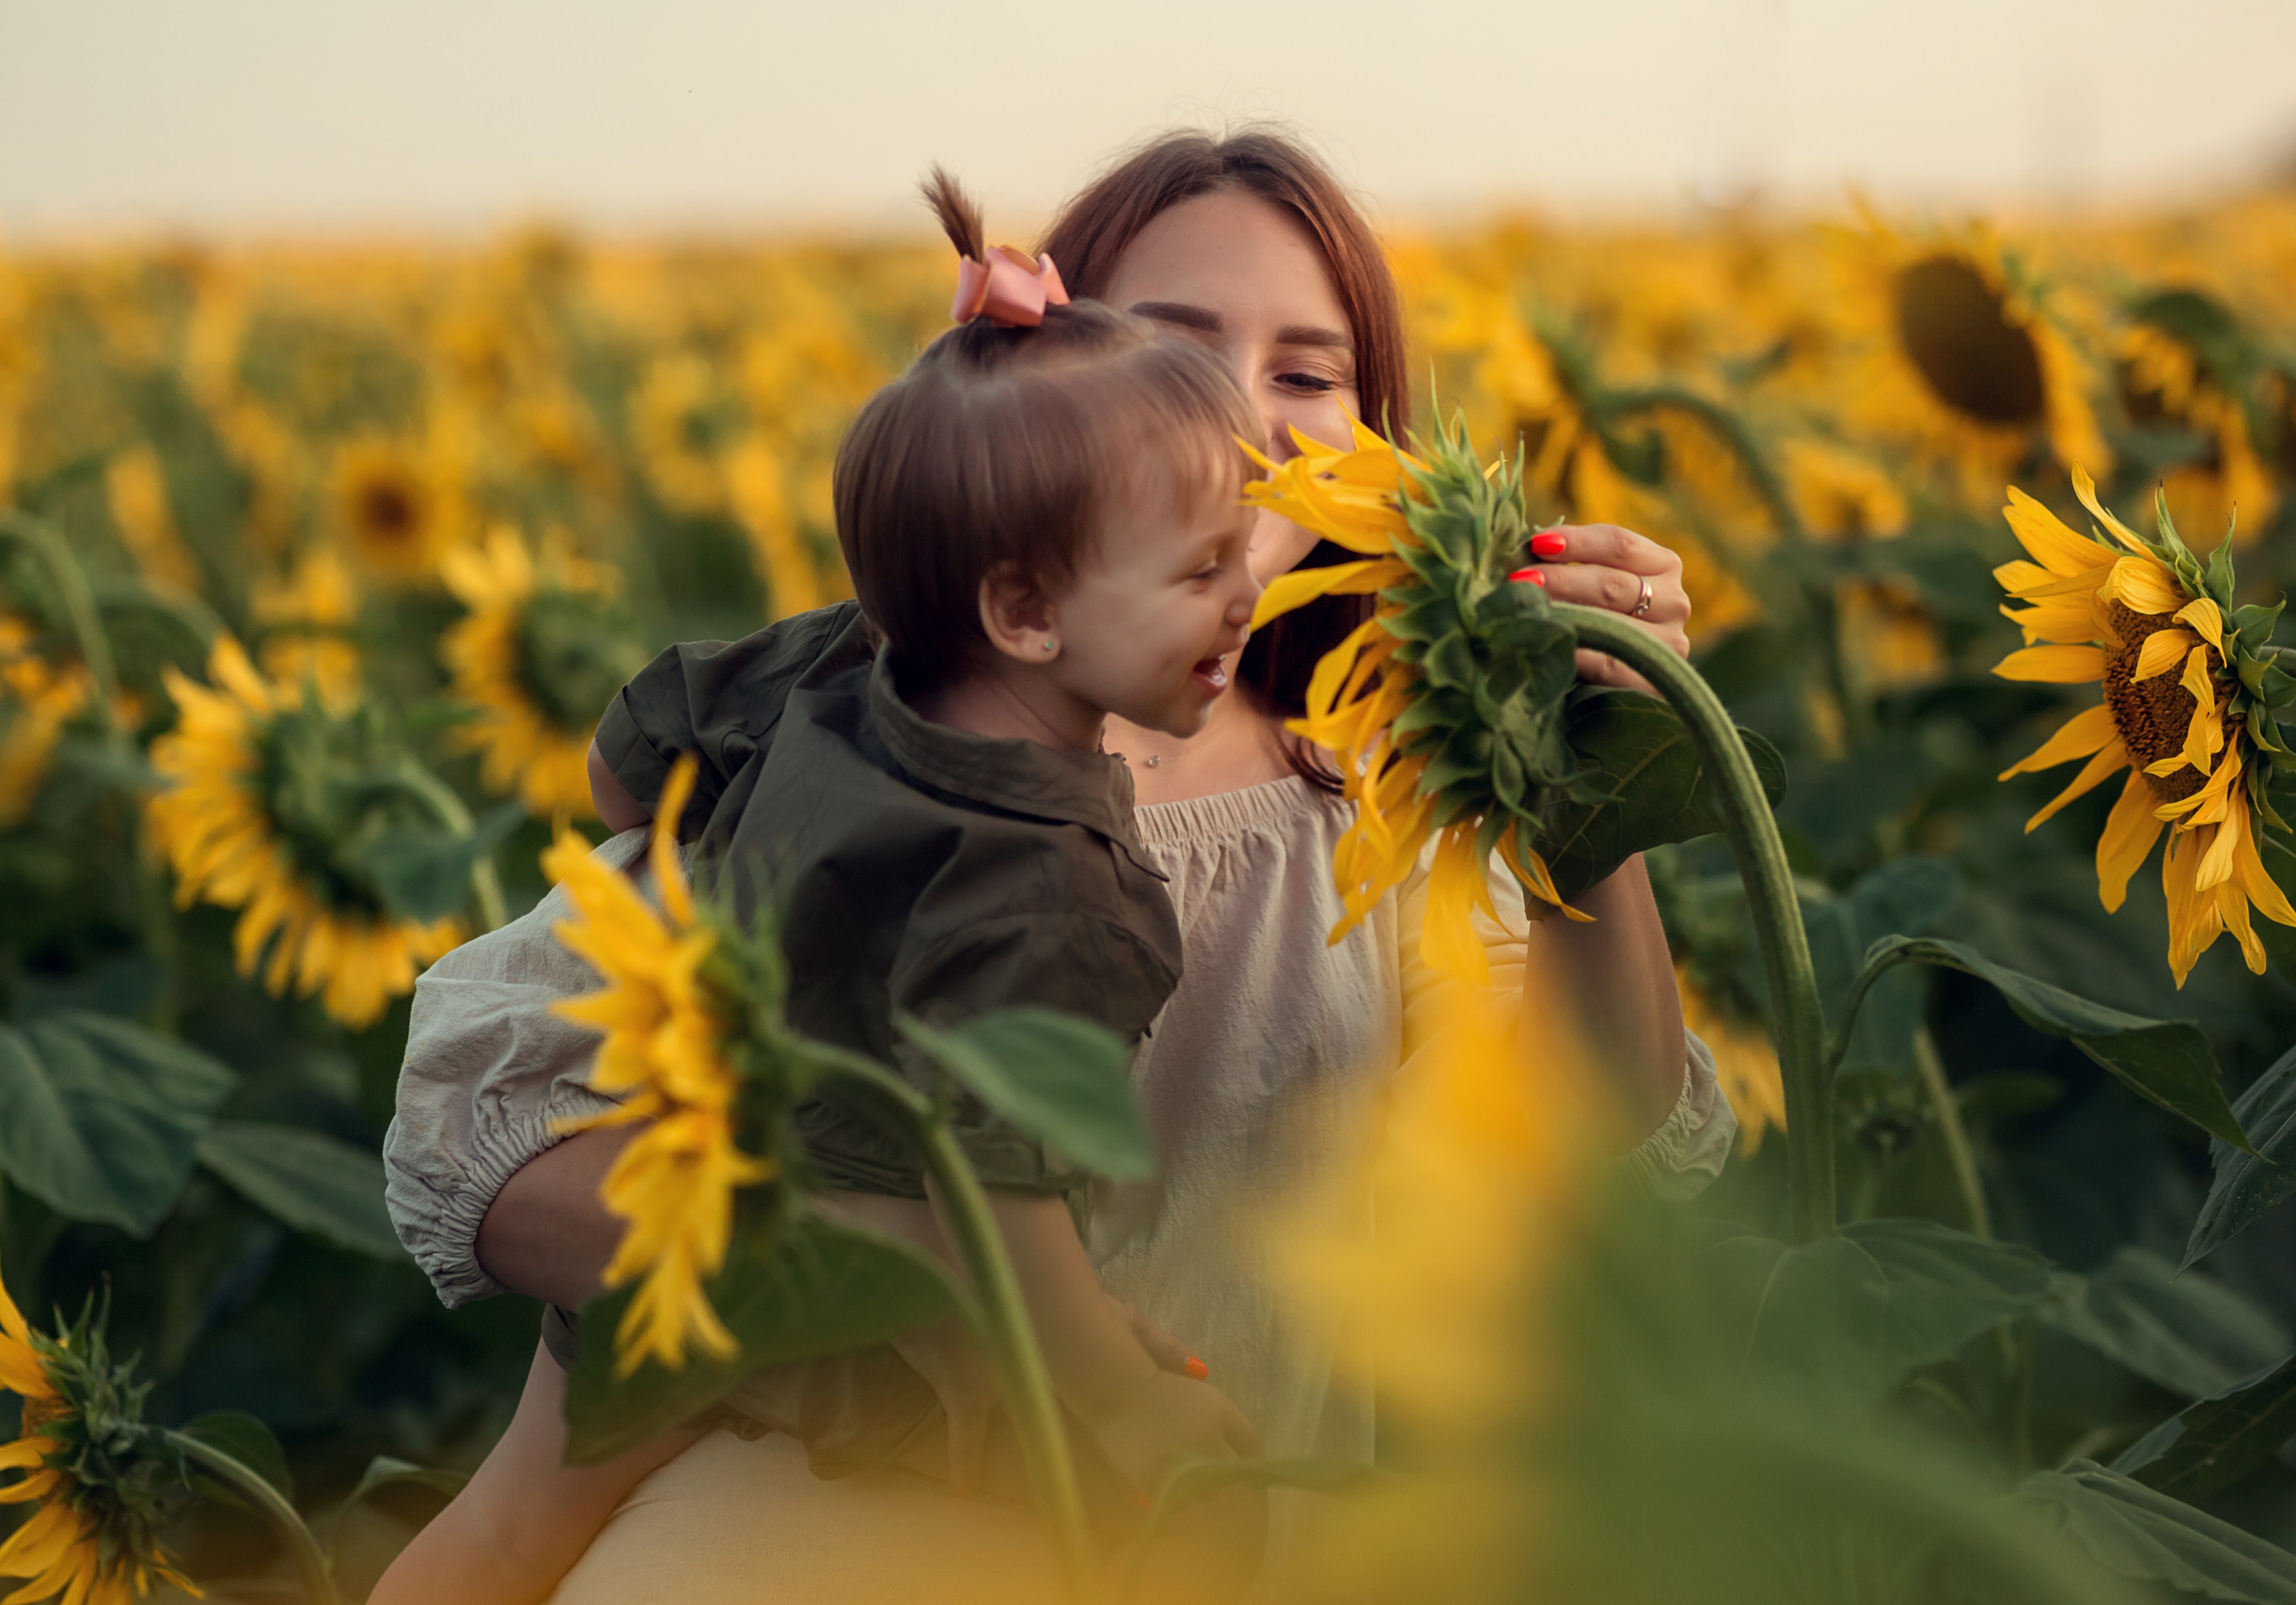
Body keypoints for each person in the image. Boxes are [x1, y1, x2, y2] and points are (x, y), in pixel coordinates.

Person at [385, 127, 1734, 1605]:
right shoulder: (879, 743)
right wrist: (935, 1271)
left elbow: (1589, 1147)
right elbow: (489, 1126)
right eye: (1176, 353)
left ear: (1385, 439)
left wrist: (1583, 772)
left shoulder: (1386, 786)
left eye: (1307, 372)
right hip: (818, 1522)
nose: (1243, 420)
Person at [372, 171, 1272, 1605]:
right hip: (813, 1261)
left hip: (666, 1155)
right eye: (1203, 569)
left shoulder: (842, 662)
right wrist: (1121, 1396)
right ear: (1026, 612)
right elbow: (997, 1198)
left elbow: (632, 757)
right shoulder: (1053, 883)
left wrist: (736, 878)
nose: (1246, 599)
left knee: (504, 1531)